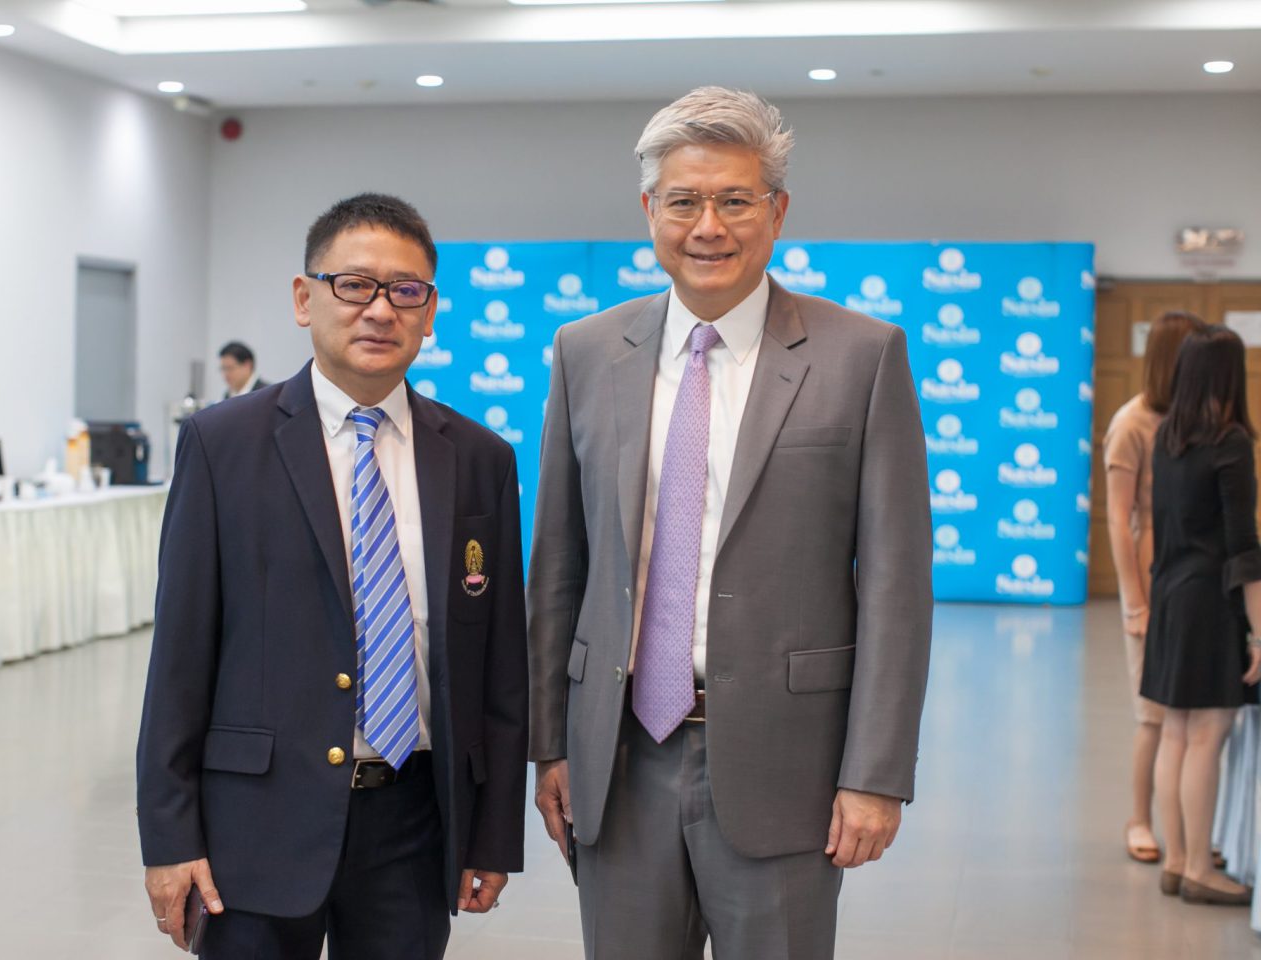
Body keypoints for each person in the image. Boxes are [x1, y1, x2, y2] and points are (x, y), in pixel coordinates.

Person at [527, 87, 933, 960]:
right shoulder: (585, 352)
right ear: (650, 211)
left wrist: (875, 774)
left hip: (788, 765)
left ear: (776, 212)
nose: (708, 226)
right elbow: (560, 566)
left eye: (735, 201)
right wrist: (550, 745)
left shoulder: (862, 356)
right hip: (616, 762)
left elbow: (897, 588)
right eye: (683, 201)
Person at [137, 193, 528, 958]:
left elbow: (500, 671)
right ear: (303, 297)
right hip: (254, 822)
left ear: (430, 311)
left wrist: (491, 834)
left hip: (413, 822)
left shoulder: (480, 459)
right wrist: (170, 837)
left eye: (405, 290)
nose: (380, 309)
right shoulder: (224, 444)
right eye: (354, 285)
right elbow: (179, 659)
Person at [1143, 322, 1261, 906]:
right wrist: (1259, 634)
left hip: (1169, 595)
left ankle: (1176, 861)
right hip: (1211, 603)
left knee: (1176, 732)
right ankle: (1198, 869)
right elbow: (1244, 548)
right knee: (1208, 736)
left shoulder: (1167, 436)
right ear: (1229, 375)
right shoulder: (1230, 442)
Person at [1102, 311, 1205, 864]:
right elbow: (1119, 519)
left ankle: (1192, 828)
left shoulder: (1196, 419)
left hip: (1192, 582)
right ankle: (1140, 820)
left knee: (1195, 716)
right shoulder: (1131, 423)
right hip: (1150, 583)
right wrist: (1134, 602)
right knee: (1154, 715)